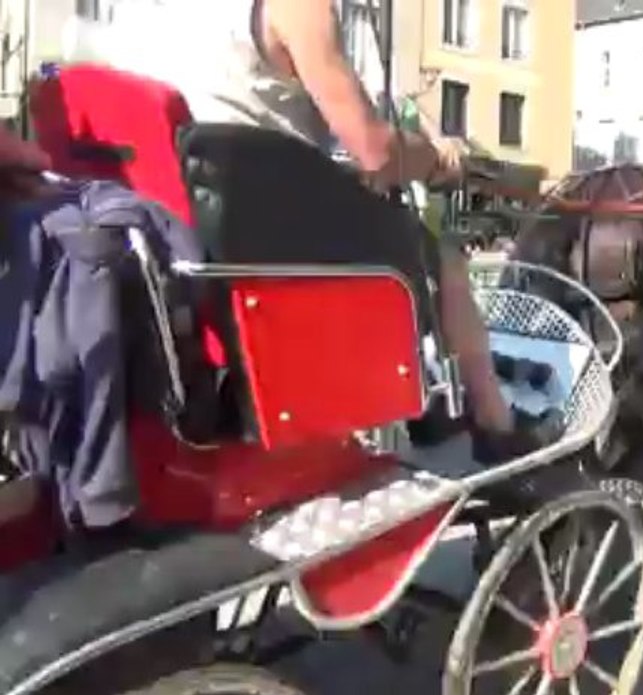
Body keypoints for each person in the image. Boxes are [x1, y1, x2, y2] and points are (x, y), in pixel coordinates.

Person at [64, 0, 551, 459]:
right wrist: (438, 159)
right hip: (261, 241)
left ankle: (429, 403)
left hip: (174, 243)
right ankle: (493, 424)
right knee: (441, 253)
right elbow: (376, 150)